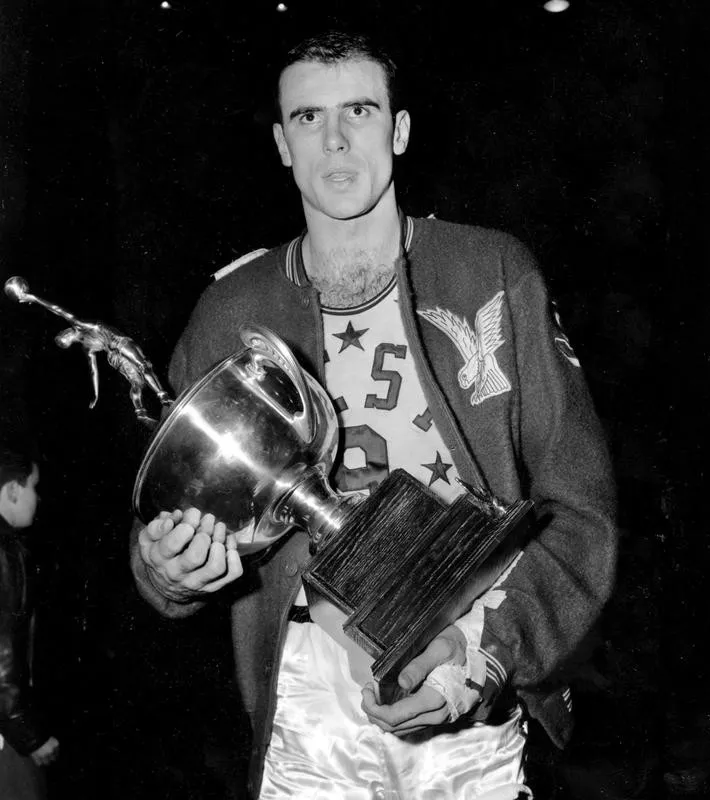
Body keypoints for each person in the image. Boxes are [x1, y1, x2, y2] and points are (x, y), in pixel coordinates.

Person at [131, 30, 617, 799]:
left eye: (359, 110)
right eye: (307, 118)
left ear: (399, 130)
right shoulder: (233, 308)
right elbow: (166, 527)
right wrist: (168, 572)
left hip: (470, 663)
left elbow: (580, 510)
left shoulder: (491, 269)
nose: (334, 139)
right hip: (311, 702)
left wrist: (488, 651)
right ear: (282, 145)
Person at [0, 433, 60, 799]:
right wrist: (30, 735)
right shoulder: (5, 553)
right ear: (12, 490)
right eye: (33, 487)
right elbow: (1, 653)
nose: (38, 499)